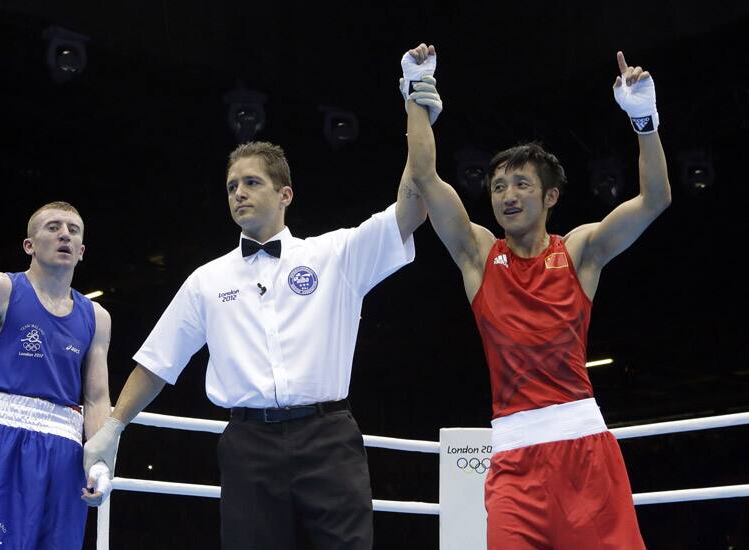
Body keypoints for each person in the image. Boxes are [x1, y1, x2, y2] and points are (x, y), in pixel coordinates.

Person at [83, 76, 431, 547]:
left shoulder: (335, 256)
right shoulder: (208, 280)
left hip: (327, 438)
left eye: (252, 182)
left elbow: (412, 204)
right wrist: (112, 428)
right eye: (231, 187)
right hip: (249, 447)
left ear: (285, 194)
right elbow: (159, 361)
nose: (239, 193)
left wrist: (417, 108)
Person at [406, 44, 670, 548]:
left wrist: (644, 120)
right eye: (499, 185)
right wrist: (415, 94)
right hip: (512, 460)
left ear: (550, 197)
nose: (507, 195)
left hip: (584, 451)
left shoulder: (580, 252)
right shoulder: (478, 256)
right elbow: (424, 179)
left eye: (521, 184)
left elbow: (654, 199)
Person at [0, 201, 114, 549]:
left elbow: (96, 397)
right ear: (29, 245)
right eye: (53, 227)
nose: (64, 235)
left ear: (82, 251)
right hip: (0, 439)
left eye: (73, 230)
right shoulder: (0, 289)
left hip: (65, 451)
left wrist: (101, 461)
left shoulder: (97, 317)